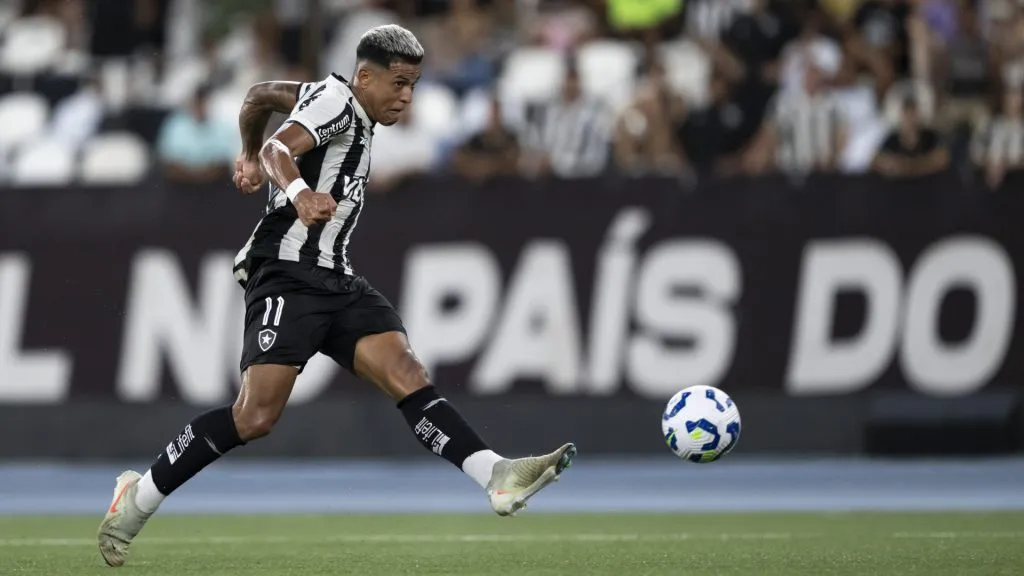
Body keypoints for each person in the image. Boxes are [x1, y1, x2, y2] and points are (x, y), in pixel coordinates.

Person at [96, 24, 576, 568]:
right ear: (364, 76)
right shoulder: (339, 107)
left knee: (407, 372)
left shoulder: (324, 97)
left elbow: (257, 98)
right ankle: (136, 499)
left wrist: (247, 155)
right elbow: (284, 146)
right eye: (398, 83)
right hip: (285, 273)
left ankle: (495, 474)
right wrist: (295, 189)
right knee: (254, 417)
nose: (406, 97)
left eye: (414, 85)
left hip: (336, 278)